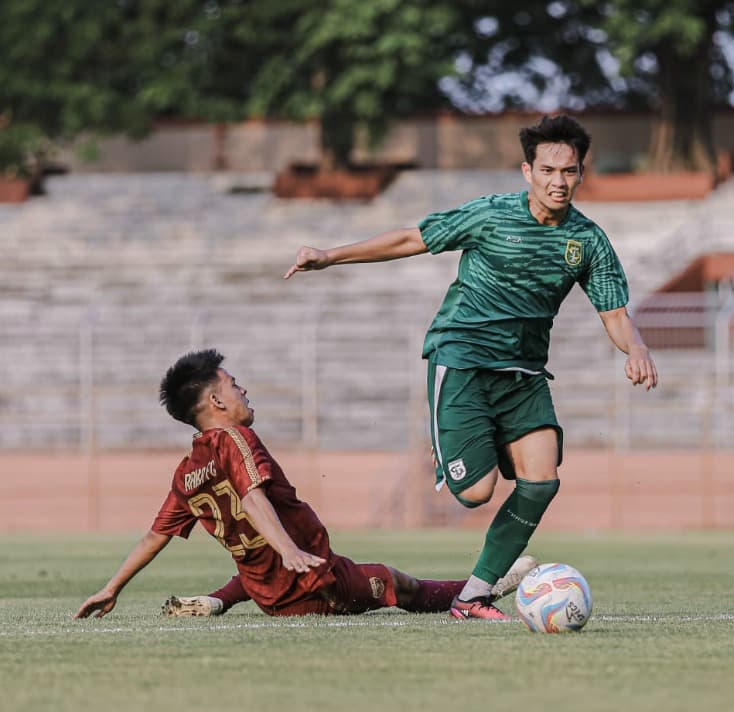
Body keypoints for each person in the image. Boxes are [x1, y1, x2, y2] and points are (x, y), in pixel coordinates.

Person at [284, 115, 659, 620]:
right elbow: (410, 239)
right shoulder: (491, 216)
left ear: (580, 174)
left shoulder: (587, 241)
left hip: (523, 374)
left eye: (569, 171)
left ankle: (473, 595)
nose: (558, 181)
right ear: (527, 171)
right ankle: (463, 439)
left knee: (542, 480)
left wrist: (636, 349)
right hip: (461, 361)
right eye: (548, 169)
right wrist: (330, 256)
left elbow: (614, 313)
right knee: (476, 493)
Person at [74, 350, 532, 620]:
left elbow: (155, 536)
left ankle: (218, 600)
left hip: (269, 593)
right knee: (399, 583)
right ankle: (477, 592)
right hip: (315, 580)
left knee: (255, 561)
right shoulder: (235, 438)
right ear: (216, 400)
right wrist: (292, 552)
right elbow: (252, 498)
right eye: (234, 385)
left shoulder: (186, 471)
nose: (243, 390)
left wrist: (112, 587)